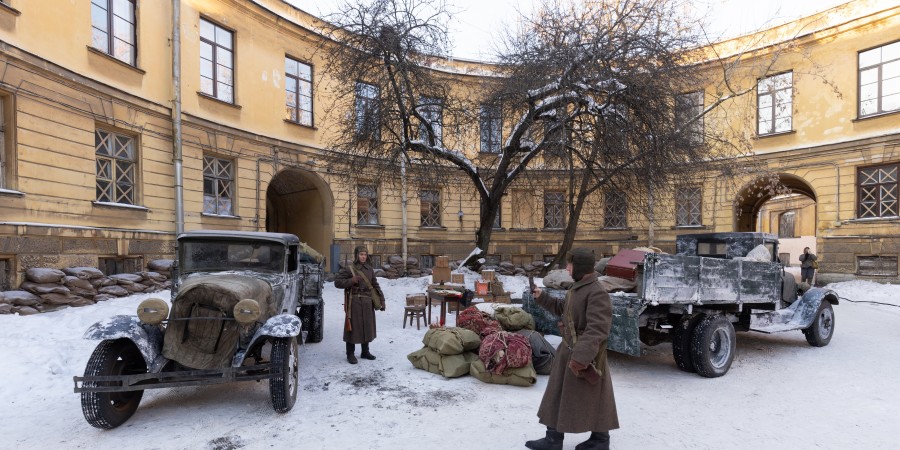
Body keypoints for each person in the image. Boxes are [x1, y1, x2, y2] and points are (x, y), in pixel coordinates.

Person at [527, 248, 619, 450]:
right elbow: (564, 309)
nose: (567, 269)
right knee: (557, 393)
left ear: (581, 267)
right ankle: (553, 439)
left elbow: (597, 329)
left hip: (586, 355)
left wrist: (581, 358)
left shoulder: (597, 292)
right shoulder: (577, 288)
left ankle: (600, 441)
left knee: (596, 396)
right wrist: (542, 296)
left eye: (570, 265)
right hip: (568, 349)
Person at [334, 246, 386, 364]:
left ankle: (365, 351)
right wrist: (351, 281)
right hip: (354, 302)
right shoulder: (349, 269)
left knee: (367, 326)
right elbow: (337, 282)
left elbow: (375, 285)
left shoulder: (369, 269)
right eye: (361, 254)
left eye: (365, 254)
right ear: (357, 255)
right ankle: (350, 354)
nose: (363, 256)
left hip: (368, 302)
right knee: (352, 328)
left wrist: (382, 299)